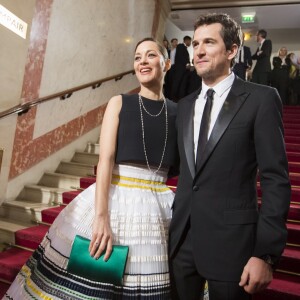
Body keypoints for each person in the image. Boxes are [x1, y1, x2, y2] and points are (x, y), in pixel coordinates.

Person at [4, 38, 179, 299]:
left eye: (150, 55)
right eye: (137, 57)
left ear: (166, 63)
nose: (142, 61)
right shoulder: (120, 103)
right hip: (117, 197)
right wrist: (101, 216)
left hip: (158, 206)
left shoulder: (178, 112)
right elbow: (106, 159)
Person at [169, 13, 291, 300]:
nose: (198, 50)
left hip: (233, 245)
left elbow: (275, 179)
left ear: (232, 50)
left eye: (209, 42)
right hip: (182, 244)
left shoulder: (261, 99)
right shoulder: (184, 106)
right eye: (195, 43)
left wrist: (265, 253)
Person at [165, 36, 192, 102]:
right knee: (176, 84)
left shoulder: (183, 47)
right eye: (190, 41)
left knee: (180, 84)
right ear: (187, 40)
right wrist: (187, 64)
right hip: (179, 69)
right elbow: (181, 58)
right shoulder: (180, 46)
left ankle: (178, 99)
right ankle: (173, 98)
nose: (190, 43)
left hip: (181, 70)